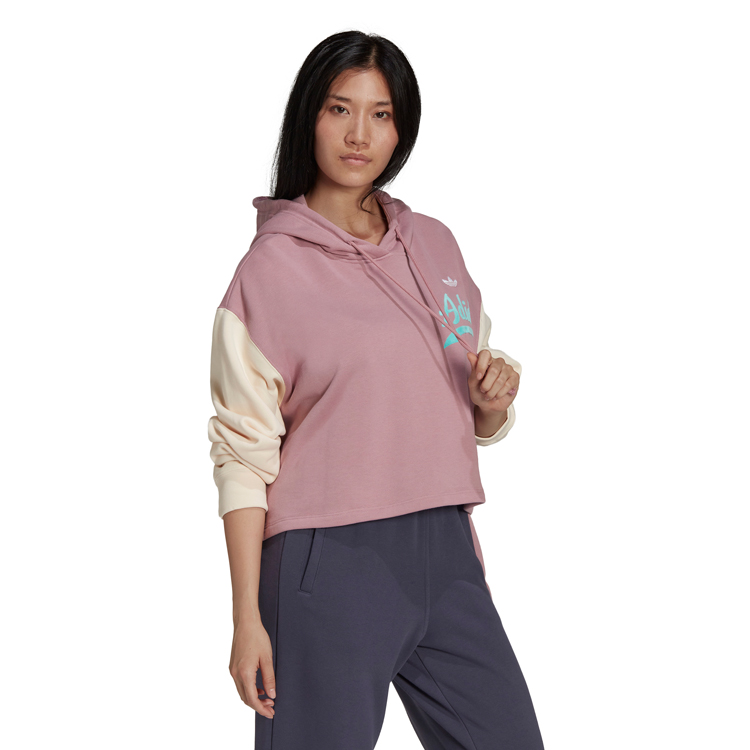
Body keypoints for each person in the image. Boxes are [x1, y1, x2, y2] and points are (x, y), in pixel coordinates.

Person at [207, 29, 545, 750]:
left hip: (446, 552)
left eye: (381, 113)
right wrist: (246, 617)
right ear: (310, 116)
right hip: (328, 560)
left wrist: (493, 398)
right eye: (340, 108)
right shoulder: (269, 272)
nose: (359, 133)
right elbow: (241, 455)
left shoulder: (435, 244)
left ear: (401, 129)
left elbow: (465, 390)